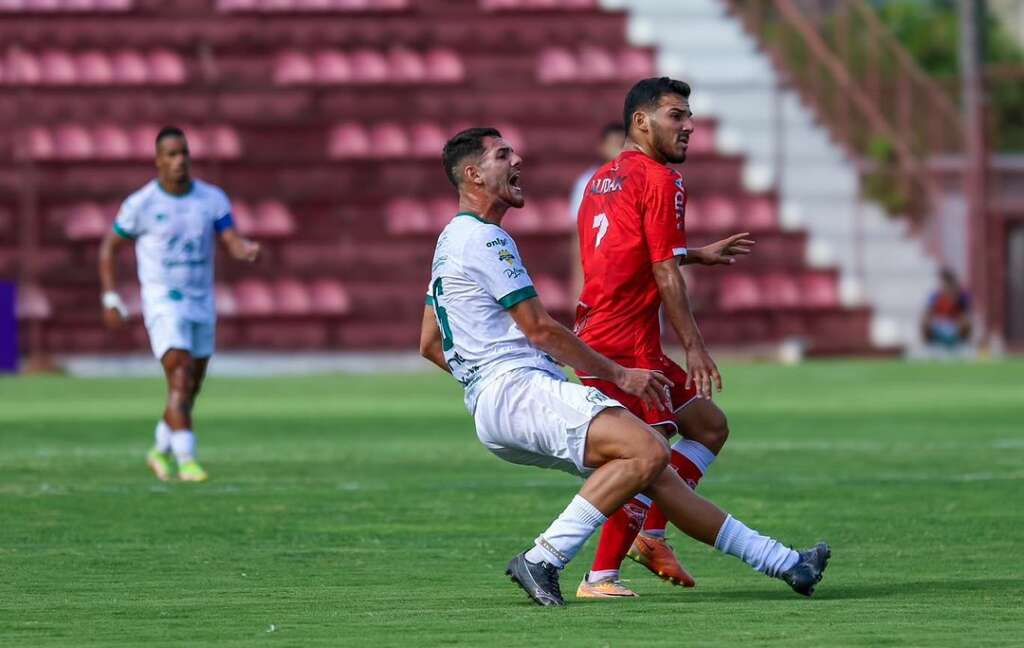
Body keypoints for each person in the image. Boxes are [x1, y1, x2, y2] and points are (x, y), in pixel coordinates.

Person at [419, 126, 829, 607]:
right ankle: (544, 558)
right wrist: (619, 374)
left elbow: (429, 343)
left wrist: (482, 384)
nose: (518, 160)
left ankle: (786, 563)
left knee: (653, 469)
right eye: (502, 155)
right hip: (518, 392)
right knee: (649, 450)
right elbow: (541, 330)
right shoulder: (487, 241)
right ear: (473, 174)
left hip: (495, 404)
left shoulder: (450, 240)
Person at [573, 77, 758, 598]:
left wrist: (695, 253)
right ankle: (601, 576)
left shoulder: (601, 179)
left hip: (601, 331)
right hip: (626, 343)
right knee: (648, 456)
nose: (689, 126)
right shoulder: (662, 179)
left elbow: (627, 254)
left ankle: (651, 534)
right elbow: (662, 272)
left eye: (689, 115)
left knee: (709, 426)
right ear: (641, 121)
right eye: (676, 115)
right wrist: (695, 345)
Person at [98, 126, 260, 482]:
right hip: (163, 301)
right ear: (158, 161)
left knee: (190, 386)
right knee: (180, 370)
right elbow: (109, 247)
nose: (179, 160)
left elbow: (230, 239)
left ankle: (160, 448)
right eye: (171, 154)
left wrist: (244, 249)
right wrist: (111, 297)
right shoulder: (141, 205)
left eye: (183, 153)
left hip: (200, 300)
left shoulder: (211, 199)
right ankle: (187, 458)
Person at [569, 123, 626, 298]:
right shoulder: (587, 183)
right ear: (602, 147)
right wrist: (578, 282)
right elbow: (579, 234)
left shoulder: (641, 179)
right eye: (614, 144)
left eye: (623, 144)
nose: (619, 150)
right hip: (600, 276)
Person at [922, 267, 972, 350]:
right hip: (940, 323)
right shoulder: (936, 295)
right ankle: (930, 346)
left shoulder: (961, 295)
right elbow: (928, 311)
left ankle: (962, 344)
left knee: (966, 322)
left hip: (955, 324)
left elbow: (966, 311)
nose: (945, 285)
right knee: (924, 321)